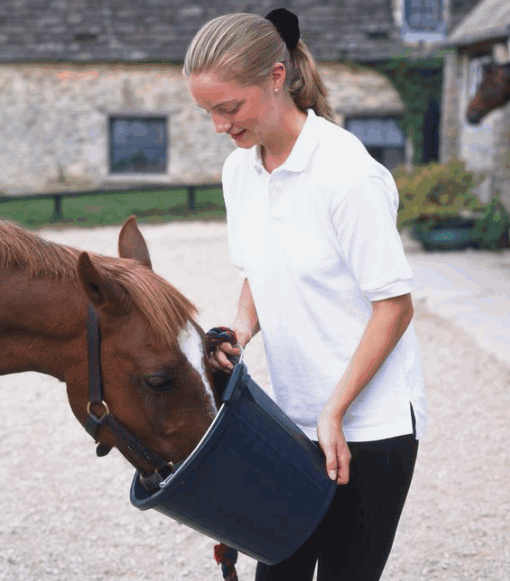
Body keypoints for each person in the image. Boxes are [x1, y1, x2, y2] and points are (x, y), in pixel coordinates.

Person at [184, 9, 427, 581]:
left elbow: (394, 305)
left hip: (370, 428)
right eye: (207, 113)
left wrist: (334, 410)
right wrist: (240, 333)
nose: (220, 126)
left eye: (229, 107)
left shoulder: (348, 174)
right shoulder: (239, 172)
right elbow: (258, 271)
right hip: (289, 424)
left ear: (275, 77)